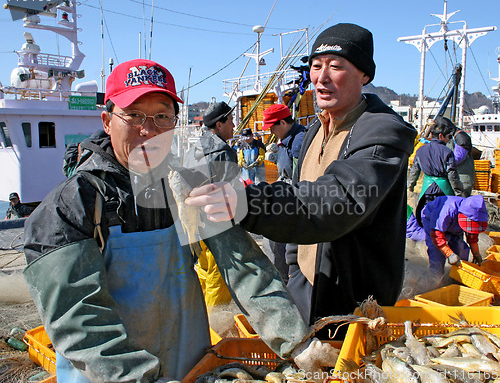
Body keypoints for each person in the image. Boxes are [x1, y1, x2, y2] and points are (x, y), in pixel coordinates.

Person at [22, 59, 334, 382]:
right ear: (106, 120)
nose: (149, 130)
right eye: (134, 115)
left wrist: (296, 341)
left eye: (162, 116)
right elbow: (83, 325)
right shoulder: (70, 208)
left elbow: (243, 265)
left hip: (190, 370)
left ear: (175, 123)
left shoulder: (189, 184)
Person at [186, 23, 418, 333]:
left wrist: (247, 203)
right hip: (307, 287)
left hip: (356, 302)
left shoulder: (382, 132)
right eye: (315, 66)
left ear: (364, 75)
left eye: (336, 67)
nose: (321, 77)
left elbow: (338, 200)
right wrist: (294, 273)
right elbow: (298, 190)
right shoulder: (313, 132)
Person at [183, 101, 238, 308]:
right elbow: (231, 195)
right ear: (219, 125)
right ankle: (216, 324)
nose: (234, 126)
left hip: (196, 226)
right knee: (219, 277)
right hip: (218, 226)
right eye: (231, 121)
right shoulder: (223, 151)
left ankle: (202, 317)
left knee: (204, 272)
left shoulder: (193, 150)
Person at [261, 104, 306, 282]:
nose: (271, 131)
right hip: (285, 193)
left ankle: (285, 281)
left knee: (276, 239)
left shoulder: (298, 142)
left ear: (282, 123)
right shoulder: (288, 140)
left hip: (294, 200)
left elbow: (300, 180)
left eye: (272, 127)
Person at [408, 122, 464, 224]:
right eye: (448, 137)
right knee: (444, 220)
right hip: (444, 190)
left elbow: (414, 170)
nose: (449, 140)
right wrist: (458, 191)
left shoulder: (421, 150)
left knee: (426, 219)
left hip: (426, 189)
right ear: (441, 136)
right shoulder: (447, 152)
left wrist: (410, 186)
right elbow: (452, 174)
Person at [421, 195, 487, 273]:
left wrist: (476, 254)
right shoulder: (448, 210)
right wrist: (449, 254)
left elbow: (472, 236)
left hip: (454, 224)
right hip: (434, 221)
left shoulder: (473, 212)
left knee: (459, 246)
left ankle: (459, 274)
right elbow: (436, 235)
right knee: (436, 252)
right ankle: (436, 276)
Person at [262, 103, 306, 183]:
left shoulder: (298, 144)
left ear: (283, 123)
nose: (272, 133)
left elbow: (299, 181)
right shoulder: (286, 140)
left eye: (273, 129)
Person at [434, 116, 475, 196]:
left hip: (462, 178)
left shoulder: (461, 138)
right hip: (454, 178)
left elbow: (457, 158)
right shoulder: (453, 137)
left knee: (461, 202)